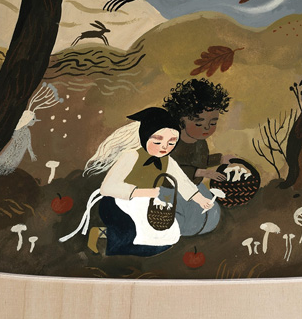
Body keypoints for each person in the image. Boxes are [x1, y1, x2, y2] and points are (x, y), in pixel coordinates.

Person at [83, 107, 214, 256]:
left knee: (165, 237)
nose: (164, 147)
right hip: (118, 203)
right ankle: (104, 236)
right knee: (130, 234)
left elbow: (183, 182)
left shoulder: (167, 161)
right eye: (157, 142)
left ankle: (109, 236)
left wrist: (200, 199)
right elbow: (107, 187)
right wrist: (142, 192)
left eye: (171, 143)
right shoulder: (132, 156)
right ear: (145, 137)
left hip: (147, 203)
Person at [162, 79, 233, 235]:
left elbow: (201, 161)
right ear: (181, 120)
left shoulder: (200, 142)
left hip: (195, 185)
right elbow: (170, 169)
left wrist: (220, 159)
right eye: (199, 124)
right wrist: (203, 172)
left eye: (213, 123)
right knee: (183, 221)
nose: (207, 128)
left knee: (212, 214)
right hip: (171, 188)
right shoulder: (172, 142)